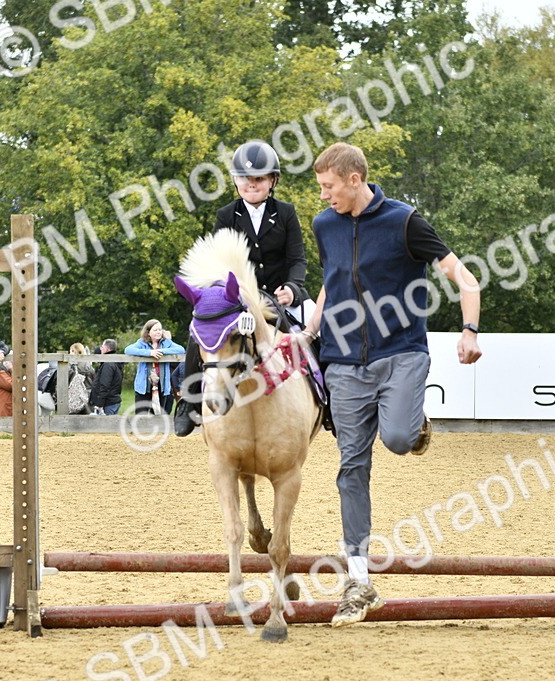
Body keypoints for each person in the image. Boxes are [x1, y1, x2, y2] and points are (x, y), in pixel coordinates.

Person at [304, 142, 482, 628]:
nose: (324, 196)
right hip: (342, 362)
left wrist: (470, 330)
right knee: (350, 467)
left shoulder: (405, 222)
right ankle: (358, 580)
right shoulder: (325, 225)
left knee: (399, 439)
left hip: (400, 353)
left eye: (329, 187)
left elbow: (463, 276)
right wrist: (310, 331)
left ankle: (411, 422)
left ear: (355, 178)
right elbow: (330, 280)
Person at [174, 139, 309, 437]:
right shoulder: (226, 215)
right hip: (238, 300)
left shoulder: (286, 212)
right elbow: (221, 264)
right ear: (235, 181)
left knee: (316, 334)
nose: (251, 184)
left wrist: (292, 288)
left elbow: (297, 259)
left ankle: (328, 401)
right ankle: (189, 399)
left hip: (278, 298)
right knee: (198, 332)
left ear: (272, 180)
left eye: (259, 178)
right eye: (245, 179)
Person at [124, 320, 185, 414]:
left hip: (162, 385)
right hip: (144, 385)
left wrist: (162, 351)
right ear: (148, 332)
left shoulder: (167, 343)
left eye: (160, 330)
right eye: (155, 330)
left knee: (158, 415)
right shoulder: (142, 343)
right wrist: (149, 353)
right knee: (141, 415)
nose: (158, 332)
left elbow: (181, 349)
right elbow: (128, 350)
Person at [90, 338, 123, 415]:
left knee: (105, 426)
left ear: (106, 349)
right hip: (113, 401)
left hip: (108, 403)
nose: (100, 349)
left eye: (102, 347)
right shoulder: (115, 362)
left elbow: (105, 385)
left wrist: (100, 404)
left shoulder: (108, 364)